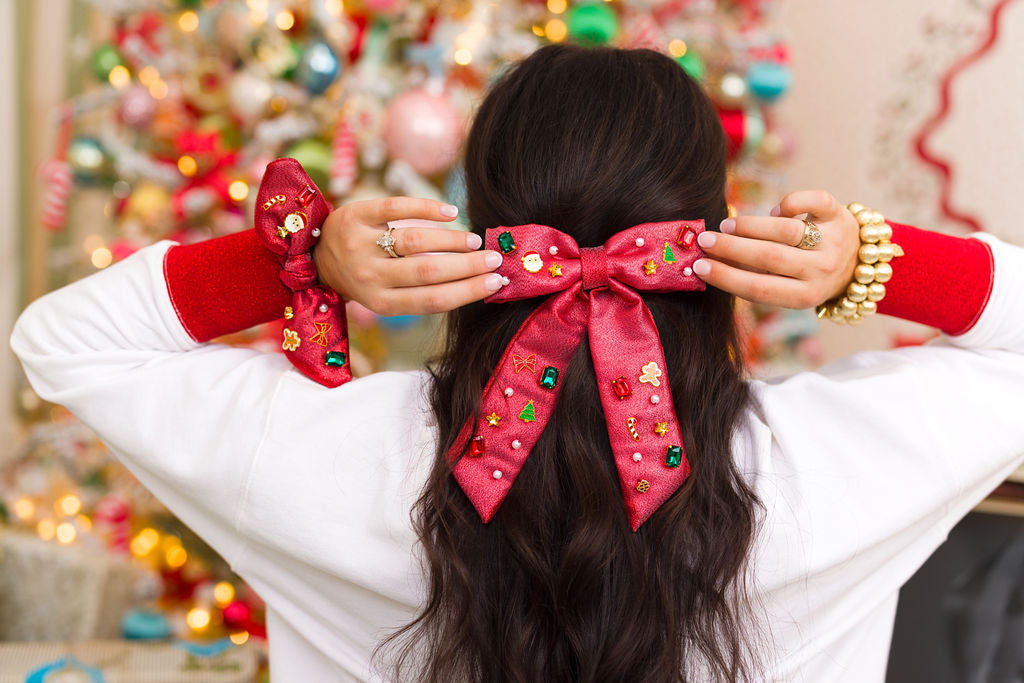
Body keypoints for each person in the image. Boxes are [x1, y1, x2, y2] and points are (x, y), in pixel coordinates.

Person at [10, 44, 1024, 682]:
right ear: (711, 235)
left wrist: (300, 260)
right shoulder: (832, 461)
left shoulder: (328, 449)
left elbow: (62, 338)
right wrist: (874, 263)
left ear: (482, 223)